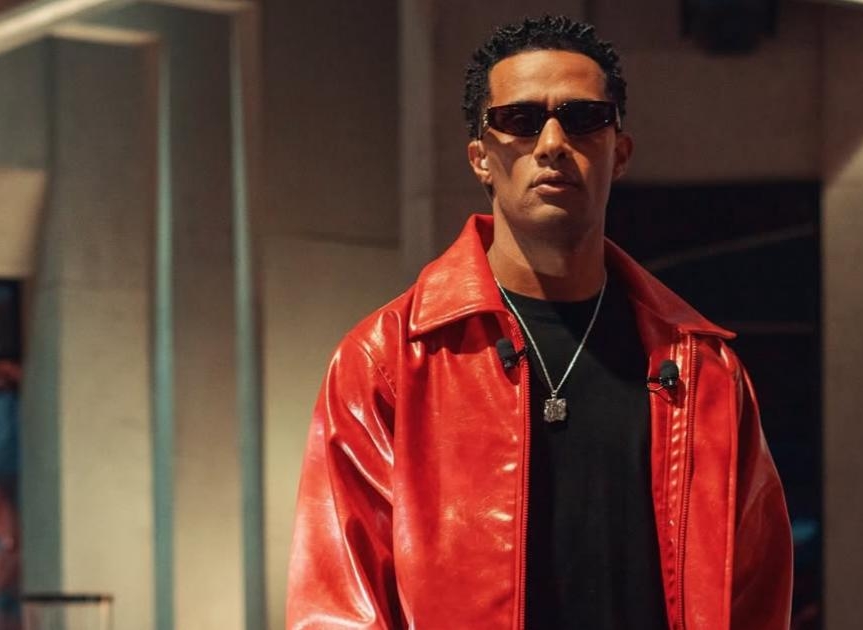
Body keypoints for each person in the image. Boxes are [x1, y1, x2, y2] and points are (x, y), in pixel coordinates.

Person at [286, 15, 792, 630]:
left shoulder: (704, 372)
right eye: (521, 120)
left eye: (583, 118)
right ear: (480, 157)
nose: (552, 143)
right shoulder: (388, 361)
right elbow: (337, 607)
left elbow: (757, 595)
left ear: (619, 152)